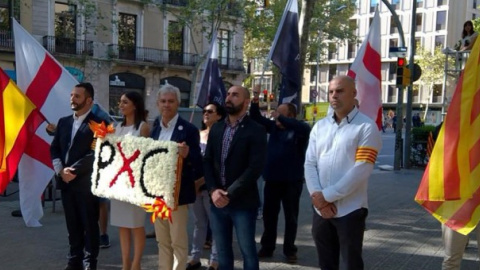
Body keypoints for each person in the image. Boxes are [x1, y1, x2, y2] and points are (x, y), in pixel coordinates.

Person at [304, 75, 382, 270]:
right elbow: (309, 164)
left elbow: (361, 169)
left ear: (354, 94)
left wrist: (327, 196)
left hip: (350, 210)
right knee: (326, 264)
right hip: (320, 210)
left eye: (339, 91)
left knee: (351, 264)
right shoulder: (320, 127)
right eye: (331, 92)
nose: (334, 96)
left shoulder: (366, 127)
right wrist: (317, 197)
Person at [203, 86, 267, 270]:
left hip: (243, 203)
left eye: (235, 95)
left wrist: (228, 194)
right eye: (228, 94)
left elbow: (255, 168)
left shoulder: (256, 130)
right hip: (216, 203)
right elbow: (207, 161)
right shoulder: (217, 128)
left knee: (248, 252)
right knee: (222, 252)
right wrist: (213, 190)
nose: (229, 98)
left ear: (246, 102)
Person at [250, 86, 311, 264]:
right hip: (273, 179)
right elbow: (256, 118)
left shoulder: (301, 129)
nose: (276, 116)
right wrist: (255, 98)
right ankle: (267, 246)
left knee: (291, 216)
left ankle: (289, 250)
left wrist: (279, 116)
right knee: (270, 215)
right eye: (277, 113)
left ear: (290, 115)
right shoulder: (274, 128)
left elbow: (297, 125)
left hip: (292, 180)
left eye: (281, 113)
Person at [50, 82, 104, 270]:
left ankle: (89, 263)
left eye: (77, 96)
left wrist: (72, 171)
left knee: (89, 225)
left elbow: (96, 153)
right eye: (72, 95)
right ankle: (74, 261)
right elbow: (55, 147)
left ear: (89, 100)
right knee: (72, 225)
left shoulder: (99, 124)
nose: (72, 99)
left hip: (86, 185)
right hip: (66, 183)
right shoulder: (64, 121)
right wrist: (60, 171)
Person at [150, 84, 203, 270]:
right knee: (162, 241)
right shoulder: (155, 129)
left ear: (178, 103)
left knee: (178, 241)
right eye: (163, 101)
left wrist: (188, 154)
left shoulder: (189, 129)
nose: (166, 105)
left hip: (177, 194)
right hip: (157, 193)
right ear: (157, 103)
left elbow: (199, 161)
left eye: (170, 101)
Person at [110, 91, 150, 270]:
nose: (121, 105)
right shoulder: (116, 127)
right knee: (122, 225)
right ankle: (125, 262)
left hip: (135, 183)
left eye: (125, 102)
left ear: (135, 105)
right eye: (120, 102)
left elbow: (146, 156)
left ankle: (136, 263)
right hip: (118, 182)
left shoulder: (143, 127)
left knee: (136, 224)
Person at [187, 102, 226, 270]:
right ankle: (195, 257)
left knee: (215, 223)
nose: (206, 114)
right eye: (204, 111)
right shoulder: (197, 134)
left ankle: (215, 259)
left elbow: (217, 165)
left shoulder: (222, 135)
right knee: (198, 223)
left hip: (211, 187)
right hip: (195, 187)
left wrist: (201, 182)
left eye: (210, 111)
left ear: (219, 115)